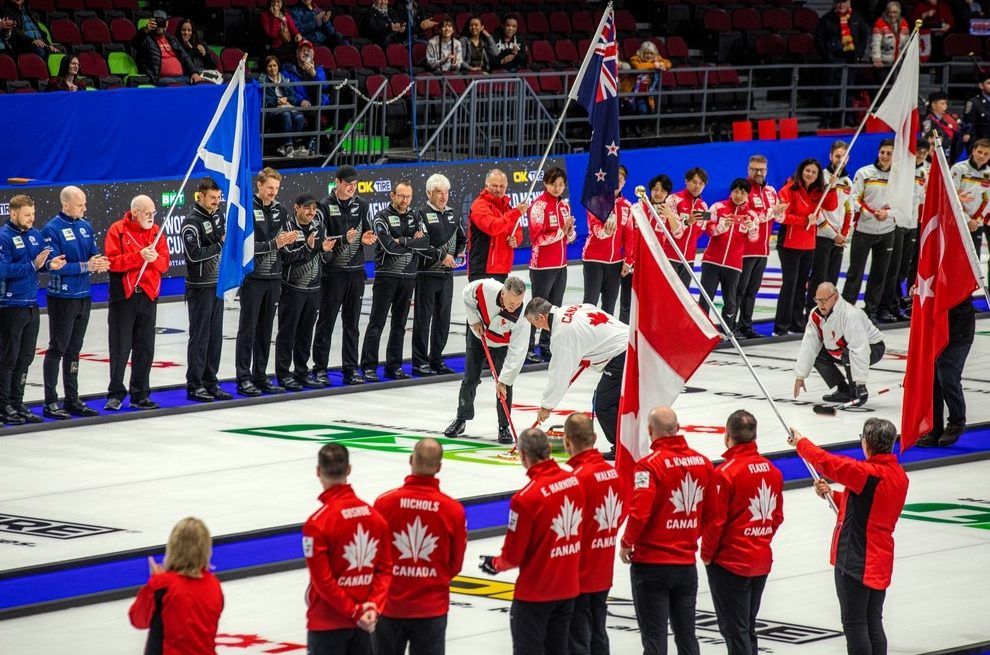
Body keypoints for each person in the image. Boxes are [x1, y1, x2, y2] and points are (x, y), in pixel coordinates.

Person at [788, 419, 908, 655]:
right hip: (880, 558)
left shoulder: (867, 473)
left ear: (868, 443)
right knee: (873, 621)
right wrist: (831, 494)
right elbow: (871, 506)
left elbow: (827, 463)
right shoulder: (898, 476)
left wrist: (801, 442)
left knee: (854, 624)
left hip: (856, 558)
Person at [479, 427, 584, 655]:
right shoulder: (574, 482)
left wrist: (494, 564)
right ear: (548, 450)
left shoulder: (526, 498)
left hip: (536, 594)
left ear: (523, 456)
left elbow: (512, 556)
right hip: (568, 589)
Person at [619, 406, 715, 655]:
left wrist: (627, 542)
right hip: (685, 564)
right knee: (687, 637)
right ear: (678, 428)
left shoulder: (648, 466)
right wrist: (689, 536)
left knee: (654, 639)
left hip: (651, 565)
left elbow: (640, 512)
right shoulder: (703, 463)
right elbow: (712, 514)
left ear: (650, 431)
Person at [700, 410, 784, 655]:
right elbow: (777, 516)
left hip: (730, 563)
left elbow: (716, 522)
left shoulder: (725, 474)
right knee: (746, 627)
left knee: (735, 631)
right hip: (760, 560)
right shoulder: (773, 470)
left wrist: (707, 555)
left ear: (728, 437)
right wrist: (760, 538)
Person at [373, 439, 467, 655]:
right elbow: (455, 563)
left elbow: (372, 556)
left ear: (410, 460)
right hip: (431, 607)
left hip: (389, 605)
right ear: (439, 467)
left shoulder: (384, 504)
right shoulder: (452, 510)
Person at [303, 443, 392, 655]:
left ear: (318, 471)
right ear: (349, 470)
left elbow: (323, 582)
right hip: (364, 622)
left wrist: (354, 612)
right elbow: (386, 569)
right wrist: (372, 606)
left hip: (328, 624)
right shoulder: (375, 517)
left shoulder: (316, 524)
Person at [524, 298, 627, 460]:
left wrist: (547, 406)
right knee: (615, 401)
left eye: (533, 322)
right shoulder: (571, 307)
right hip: (629, 341)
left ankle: (623, 447)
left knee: (603, 404)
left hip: (620, 352)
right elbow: (591, 312)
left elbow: (559, 373)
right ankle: (627, 443)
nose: (535, 327)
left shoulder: (561, 334)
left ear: (542, 317)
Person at [41, 186, 107, 420]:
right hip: (62, 299)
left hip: (84, 296)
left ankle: (72, 399)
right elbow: (56, 266)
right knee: (57, 348)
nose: (84, 208)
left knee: (74, 350)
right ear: (65, 204)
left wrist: (98, 262)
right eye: (80, 205)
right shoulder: (52, 228)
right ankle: (50, 401)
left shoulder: (85, 226)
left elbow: (92, 256)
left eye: (85, 204)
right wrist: (86, 266)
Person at [563, 413, 623, 655]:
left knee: (578, 639)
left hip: (579, 573)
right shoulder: (613, 474)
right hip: (603, 569)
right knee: (598, 632)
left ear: (567, 441)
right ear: (595, 437)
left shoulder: (576, 480)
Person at [0, 195, 63, 425]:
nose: (31, 219)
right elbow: (2, 269)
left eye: (33, 214)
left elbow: (40, 263)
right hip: (10, 306)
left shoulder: (35, 235)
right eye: (27, 215)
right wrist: (32, 265)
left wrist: (50, 265)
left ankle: (17, 402)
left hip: (31, 304)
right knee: (8, 358)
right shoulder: (4, 237)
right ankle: (3, 404)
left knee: (25, 358)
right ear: (13, 213)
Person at [103, 195, 170, 411]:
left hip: (148, 295)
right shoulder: (118, 230)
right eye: (147, 213)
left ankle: (140, 393)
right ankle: (115, 393)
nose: (151, 217)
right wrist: (139, 256)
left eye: (153, 213)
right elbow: (113, 262)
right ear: (134, 213)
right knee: (120, 346)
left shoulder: (157, 232)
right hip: (124, 296)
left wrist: (154, 259)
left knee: (145, 347)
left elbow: (165, 263)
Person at [361, 180, 432, 382]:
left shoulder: (415, 215)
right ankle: (368, 366)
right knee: (377, 322)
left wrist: (402, 240)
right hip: (386, 276)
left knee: (400, 324)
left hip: (409, 276)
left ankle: (394, 365)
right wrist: (411, 242)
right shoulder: (381, 217)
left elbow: (425, 242)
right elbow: (388, 246)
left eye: (408, 196)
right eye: (401, 196)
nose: (404, 200)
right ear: (392, 195)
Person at [312, 165, 376, 386]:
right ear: (337, 182)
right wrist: (343, 240)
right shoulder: (324, 206)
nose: (351, 188)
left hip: (356, 273)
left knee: (352, 324)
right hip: (334, 273)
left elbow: (367, 230)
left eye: (354, 184)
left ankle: (351, 368)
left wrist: (367, 237)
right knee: (326, 323)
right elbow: (322, 240)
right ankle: (319, 368)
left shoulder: (362, 204)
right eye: (347, 184)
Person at [445, 276, 528, 444]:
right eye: (512, 303)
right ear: (503, 293)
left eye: (519, 303)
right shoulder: (484, 288)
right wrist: (474, 319)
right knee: (470, 379)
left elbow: (517, 351)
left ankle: (503, 427)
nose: (515, 307)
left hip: (502, 346)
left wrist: (504, 379)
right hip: (478, 337)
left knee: (505, 384)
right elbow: (466, 294)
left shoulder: (522, 316)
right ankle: (461, 419)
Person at [236, 168, 296, 397]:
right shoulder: (247, 208)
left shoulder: (281, 209)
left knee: (265, 330)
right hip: (253, 279)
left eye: (276, 189)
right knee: (248, 330)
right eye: (270, 188)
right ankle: (244, 377)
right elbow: (244, 248)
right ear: (259, 185)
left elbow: (282, 244)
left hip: (274, 278)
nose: (273, 192)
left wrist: (290, 242)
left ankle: (260, 375)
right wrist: (274, 244)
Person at [128, 517, 224, 655]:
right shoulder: (214, 584)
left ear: (172, 548)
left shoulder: (162, 585)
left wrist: (153, 582)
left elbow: (137, 620)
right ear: (206, 550)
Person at [275, 195, 335, 391]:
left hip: (314, 289)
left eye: (314, 208)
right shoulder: (287, 228)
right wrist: (309, 248)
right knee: (287, 333)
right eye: (307, 208)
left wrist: (325, 251)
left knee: (305, 333)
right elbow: (285, 258)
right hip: (293, 289)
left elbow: (325, 257)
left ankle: (302, 371)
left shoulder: (318, 226)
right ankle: (284, 374)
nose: (311, 212)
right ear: (296, 207)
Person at [794, 282, 886, 405]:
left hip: (873, 347)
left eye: (824, 300)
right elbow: (808, 345)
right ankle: (843, 390)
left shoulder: (850, 315)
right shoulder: (815, 315)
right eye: (818, 300)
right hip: (841, 348)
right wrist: (800, 376)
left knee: (849, 354)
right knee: (818, 354)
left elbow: (859, 349)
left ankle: (854, 390)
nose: (820, 304)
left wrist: (860, 385)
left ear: (835, 298)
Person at [181, 177, 231, 403]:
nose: (216, 202)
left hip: (217, 284)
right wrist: (220, 244)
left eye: (218, 197)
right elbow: (194, 255)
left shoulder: (219, 215)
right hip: (199, 287)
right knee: (200, 337)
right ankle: (195, 384)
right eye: (212, 198)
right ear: (200, 196)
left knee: (215, 337)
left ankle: (211, 381)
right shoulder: (191, 222)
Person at [775, 158, 838, 336]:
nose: (810, 174)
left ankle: (797, 322)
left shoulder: (819, 192)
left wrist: (832, 188)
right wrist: (804, 220)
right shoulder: (789, 188)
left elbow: (831, 206)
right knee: (789, 283)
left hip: (809, 244)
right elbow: (782, 216)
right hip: (789, 243)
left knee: (802, 284)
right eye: (807, 170)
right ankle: (781, 325)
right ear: (801, 171)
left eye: (814, 172)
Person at [411, 174, 466, 377]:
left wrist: (459, 252)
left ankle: (436, 359)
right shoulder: (420, 214)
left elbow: (462, 238)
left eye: (446, 192)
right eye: (438, 193)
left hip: (446, 276)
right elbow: (421, 244)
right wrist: (442, 256)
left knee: (443, 319)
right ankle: (419, 362)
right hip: (426, 274)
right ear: (428, 193)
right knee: (423, 320)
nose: (443, 197)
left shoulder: (453, 214)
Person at [842, 140, 898, 322]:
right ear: (878, 152)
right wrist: (871, 212)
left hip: (888, 230)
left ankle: (871, 311)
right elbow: (854, 198)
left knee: (880, 273)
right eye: (883, 152)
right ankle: (847, 310)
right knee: (855, 272)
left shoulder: (899, 177)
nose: (885, 156)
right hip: (864, 230)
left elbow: (904, 202)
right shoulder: (864, 173)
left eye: (889, 153)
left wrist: (887, 213)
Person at [527, 167, 576, 363]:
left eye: (561, 185)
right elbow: (537, 239)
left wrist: (569, 232)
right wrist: (561, 233)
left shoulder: (564, 206)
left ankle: (546, 346)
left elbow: (569, 237)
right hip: (542, 266)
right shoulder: (538, 206)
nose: (557, 188)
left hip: (561, 265)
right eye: (553, 184)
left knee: (555, 308)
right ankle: (529, 347)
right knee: (536, 308)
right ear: (546, 184)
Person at [699, 178, 757, 333]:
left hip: (733, 264)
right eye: (736, 191)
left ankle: (727, 332)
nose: (738, 195)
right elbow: (707, 227)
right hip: (711, 261)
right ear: (731, 192)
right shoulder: (718, 207)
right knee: (705, 298)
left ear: (748, 195)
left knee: (730, 301)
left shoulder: (751, 215)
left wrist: (752, 228)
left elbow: (753, 239)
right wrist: (721, 227)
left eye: (742, 192)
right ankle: (702, 332)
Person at [735, 155, 784, 339]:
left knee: (752, 291)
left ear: (767, 170)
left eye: (762, 169)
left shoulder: (771, 191)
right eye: (754, 169)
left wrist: (781, 212)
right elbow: (750, 218)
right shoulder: (743, 189)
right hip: (744, 250)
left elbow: (778, 218)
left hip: (763, 250)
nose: (758, 173)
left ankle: (746, 326)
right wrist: (773, 212)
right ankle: (732, 327)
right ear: (748, 169)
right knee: (739, 291)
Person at [917, 298, 975, 447]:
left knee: (948, 377)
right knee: (933, 379)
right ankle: (934, 427)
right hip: (934, 329)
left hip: (958, 332)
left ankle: (957, 422)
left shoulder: (961, 277)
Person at [808, 141, 853, 312]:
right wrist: (833, 234)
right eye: (837, 156)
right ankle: (812, 314)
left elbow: (850, 210)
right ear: (830, 156)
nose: (840, 159)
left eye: (843, 157)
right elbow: (816, 211)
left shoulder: (848, 182)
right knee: (818, 280)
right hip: (822, 236)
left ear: (848, 158)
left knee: (832, 281)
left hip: (838, 240)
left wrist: (843, 234)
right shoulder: (821, 177)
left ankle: (829, 313)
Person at [583, 164, 633, 316]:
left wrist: (628, 260)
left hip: (615, 262)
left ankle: (606, 337)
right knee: (590, 303)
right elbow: (594, 227)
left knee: (609, 306)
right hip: (594, 259)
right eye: (614, 178)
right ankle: (586, 337)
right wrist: (605, 231)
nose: (617, 182)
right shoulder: (596, 200)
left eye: (621, 179)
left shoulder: (627, 206)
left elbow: (629, 235)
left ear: (625, 182)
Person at [623, 173, 671, 323]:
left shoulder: (668, 212)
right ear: (649, 190)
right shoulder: (637, 208)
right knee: (627, 303)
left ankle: (648, 337)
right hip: (633, 264)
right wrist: (628, 260)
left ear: (667, 194)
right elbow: (628, 236)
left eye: (663, 191)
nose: (658, 193)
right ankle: (624, 338)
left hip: (654, 266)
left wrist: (670, 216)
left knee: (650, 303)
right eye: (656, 189)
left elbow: (678, 233)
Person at [815, 0, 869, 127]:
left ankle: (846, 119)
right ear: (834, 4)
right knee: (829, 91)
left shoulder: (857, 18)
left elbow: (864, 36)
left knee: (848, 91)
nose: (841, 5)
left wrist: (859, 54)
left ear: (849, 3)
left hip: (850, 60)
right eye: (838, 2)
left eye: (844, 2)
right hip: (833, 60)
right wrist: (827, 55)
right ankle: (826, 121)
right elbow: (819, 38)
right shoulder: (827, 19)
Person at [466, 169, 527, 282]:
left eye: (502, 186)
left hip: (502, 268)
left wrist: (516, 239)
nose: (498, 189)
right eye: (494, 185)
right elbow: (492, 227)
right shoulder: (479, 205)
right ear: (486, 185)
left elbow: (516, 228)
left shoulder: (506, 207)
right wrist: (516, 213)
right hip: (482, 269)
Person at [660, 167, 709, 288]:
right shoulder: (673, 199)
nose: (697, 186)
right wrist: (687, 222)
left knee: (683, 299)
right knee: (667, 294)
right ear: (686, 181)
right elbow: (676, 232)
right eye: (694, 182)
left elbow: (699, 233)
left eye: (701, 183)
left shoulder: (704, 206)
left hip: (689, 260)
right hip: (670, 256)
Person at [950, 137, 990, 284]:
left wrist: (976, 221)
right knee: (956, 262)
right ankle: (955, 306)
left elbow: (987, 201)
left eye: (986, 154)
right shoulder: (959, 169)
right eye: (980, 152)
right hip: (958, 224)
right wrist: (967, 220)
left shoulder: (989, 173)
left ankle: (966, 305)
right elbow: (952, 197)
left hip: (976, 226)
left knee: (973, 264)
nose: (982, 156)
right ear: (973, 151)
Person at [131, 10, 204, 86]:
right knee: (180, 87)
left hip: (182, 77)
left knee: (200, 82)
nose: (159, 25)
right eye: (157, 22)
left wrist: (194, 72)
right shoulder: (147, 38)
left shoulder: (172, 39)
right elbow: (135, 44)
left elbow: (185, 57)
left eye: (162, 22)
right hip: (162, 79)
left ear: (167, 23)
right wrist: (145, 30)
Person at [262, 55, 309, 158]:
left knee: (299, 117)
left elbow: (293, 96)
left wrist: (286, 99)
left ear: (278, 67)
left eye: (275, 65)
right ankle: (289, 146)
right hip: (272, 111)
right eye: (270, 66)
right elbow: (265, 99)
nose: (273, 68)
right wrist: (278, 101)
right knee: (286, 114)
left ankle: (286, 146)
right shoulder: (263, 80)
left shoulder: (285, 79)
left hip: (287, 106)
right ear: (266, 68)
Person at [620, 41, 671, 115]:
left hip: (643, 96)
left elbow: (668, 63)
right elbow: (639, 67)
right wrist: (655, 65)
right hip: (630, 93)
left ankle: (638, 126)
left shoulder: (656, 59)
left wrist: (662, 64)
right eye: (647, 53)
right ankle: (628, 126)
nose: (649, 56)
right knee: (631, 108)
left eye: (651, 53)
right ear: (642, 53)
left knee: (642, 110)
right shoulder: (635, 59)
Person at [283, 39, 330, 112]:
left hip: (317, 106)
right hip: (298, 106)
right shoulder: (288, 69)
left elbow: (324, 87)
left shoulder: (319, 68)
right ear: (297, 53)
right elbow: (288, 90)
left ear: (313, 54)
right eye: (302, 50)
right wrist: (301, 101)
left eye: (308, 50)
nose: (305, 52)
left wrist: (314, 74)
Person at [923, 91, 963, 163]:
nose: (945, 106)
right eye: (942, 104)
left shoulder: (943, 122)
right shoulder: (929, 121)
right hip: (934, 159)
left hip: (946, 156)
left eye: (946, 104)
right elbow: (927, 142)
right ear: (933, 105)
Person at [870, 1, 909, 68]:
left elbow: (907, 44)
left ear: (899, 12)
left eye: (895, 12)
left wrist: (910, 58)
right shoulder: (880, 23)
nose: (892, 15)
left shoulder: (904, 23)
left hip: (898, 63)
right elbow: (875, 44)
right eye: (890, 12)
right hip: (883, 63)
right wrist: (877, 59)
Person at [963, 71, 990, 147]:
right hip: (982, 144)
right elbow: (970, 125)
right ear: (981, 85)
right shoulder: (974, 102)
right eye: (989, 83)